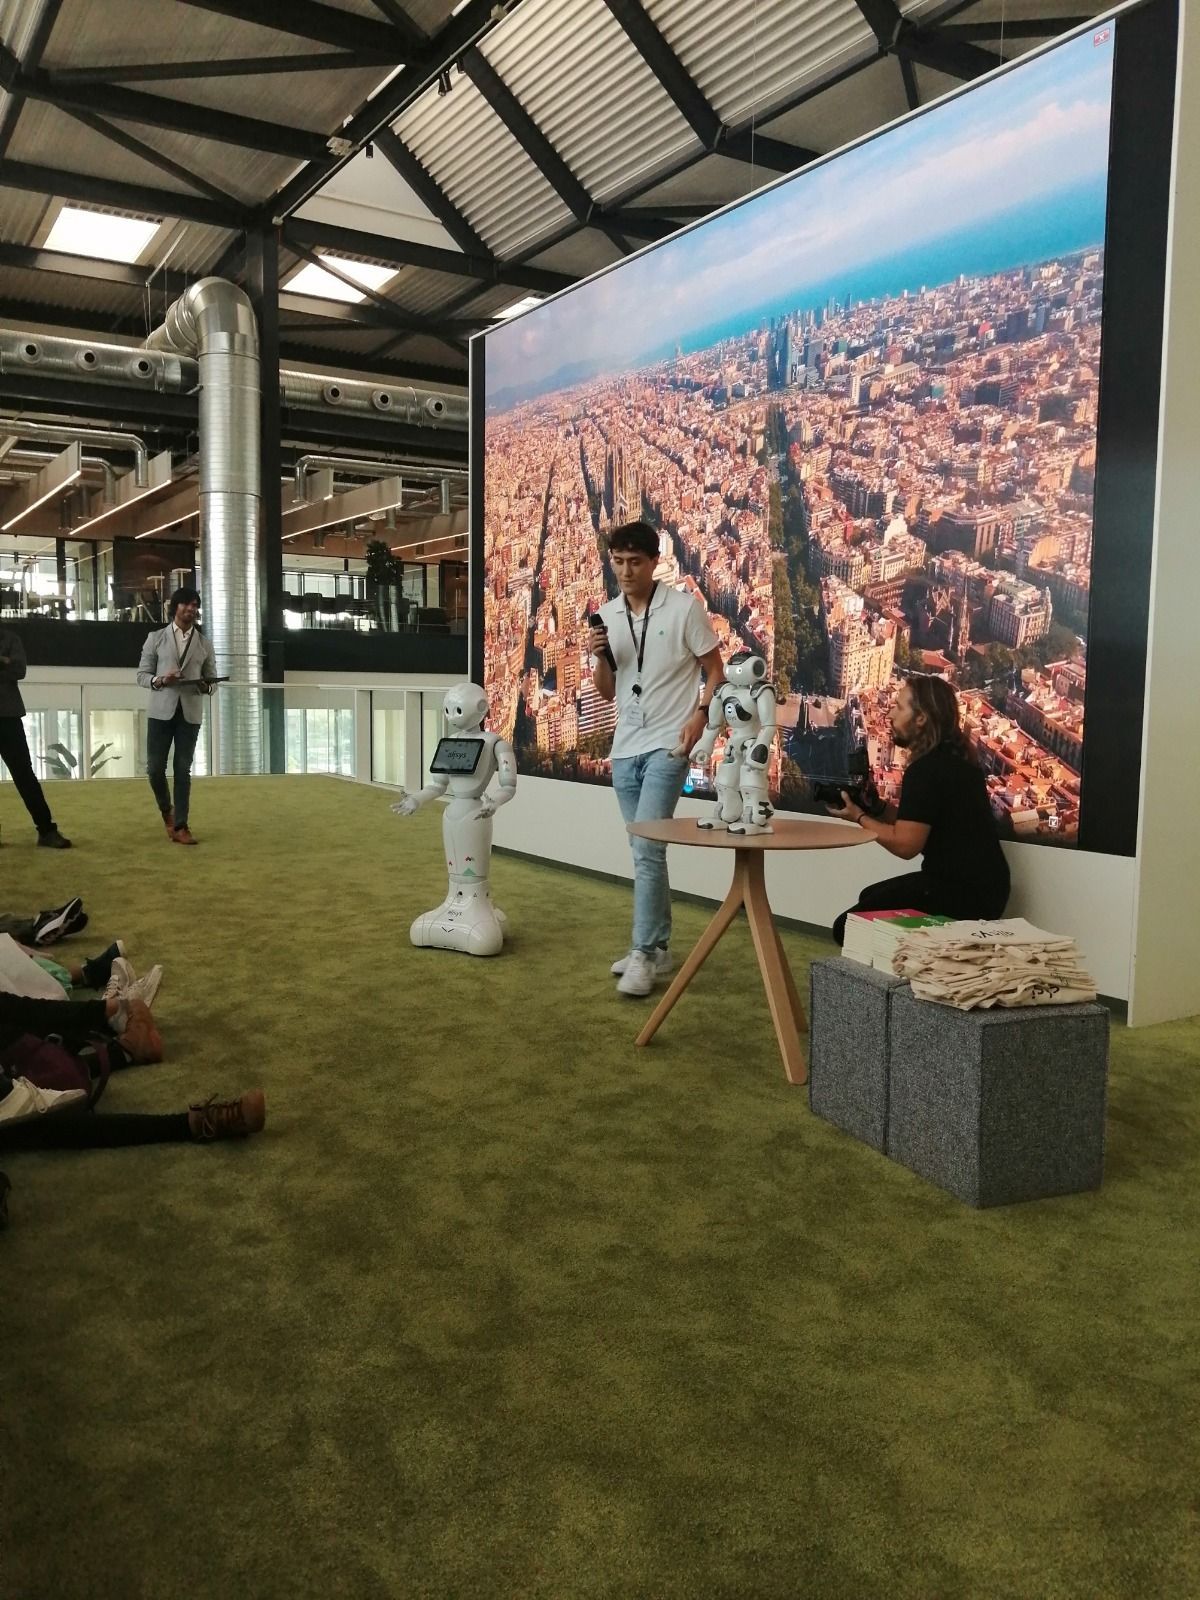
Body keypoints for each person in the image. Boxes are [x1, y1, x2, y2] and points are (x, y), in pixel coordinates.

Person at [588, 521, 725, 997]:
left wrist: (701, 716)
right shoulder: (605, 616)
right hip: (624, 747)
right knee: (645, 851)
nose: (625, 571)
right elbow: (606, 693)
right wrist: (600, 658)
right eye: (618, 562)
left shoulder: (685, 609)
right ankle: (659, 947)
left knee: (647, 849)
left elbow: (715, 670)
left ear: (653, 562)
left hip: (669, 745)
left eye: (634, 562)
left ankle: (643, 953)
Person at [827, 674, 1011, 945]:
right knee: (869, 895)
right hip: (984, 888)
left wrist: (859, 816)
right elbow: (915, 822)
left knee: (845, 928)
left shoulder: (925, 771)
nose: (889, 714)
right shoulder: (958, 760)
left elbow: (906, 845)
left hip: (959, 894)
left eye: (899, 707)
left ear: (921, 719)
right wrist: (876, 807)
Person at [136, 585, 217, 846]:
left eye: (195, 605)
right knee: (154, 769)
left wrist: (205, 685)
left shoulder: (204, 644)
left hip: (190, 713)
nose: (191, 609)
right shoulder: (155, 637)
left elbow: (213, 681)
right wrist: (161, 680)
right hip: (161, 712)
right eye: (186, 604)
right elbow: (142, 675)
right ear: (176, 607)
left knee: (183, 768)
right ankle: (166, 811)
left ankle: (181, 826)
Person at [0, 624, 72, 848]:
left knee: (25, 776)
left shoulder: (10, 639)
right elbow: (11, 668)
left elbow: (19, 670)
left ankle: (46, 830)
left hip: (8, 717)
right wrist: (4, 661)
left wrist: (6, 662)